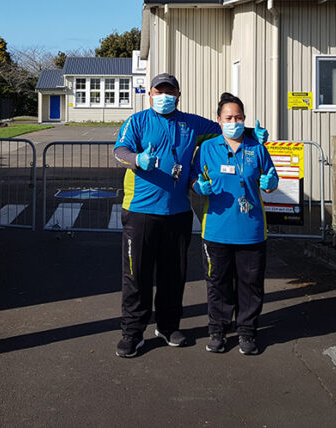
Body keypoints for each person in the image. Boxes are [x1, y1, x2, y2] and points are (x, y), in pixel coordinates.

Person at [112, 74, 267, 358]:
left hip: (178, 212)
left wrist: (250, 136)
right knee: (137, 276)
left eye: (170, 91)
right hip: (140, 212)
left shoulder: (192, 123)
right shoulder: (137, 121)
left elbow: (226, 129)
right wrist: (137, 160)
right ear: (150, 94)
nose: (164, 96)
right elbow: (119, 152)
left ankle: (168, 326)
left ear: (178, 95)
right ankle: (132, 333)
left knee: (174, 275)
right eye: (160, 91)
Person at [191, 93, 278, 355]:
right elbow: (195, 180)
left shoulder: (257, 148)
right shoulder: (207, 148)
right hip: (217, 229)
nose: (234, 122)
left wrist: (271, 183)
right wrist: (199, 186)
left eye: (238, 117)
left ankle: (247, 332)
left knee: (250, 284)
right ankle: (217, 330)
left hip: (251, 230)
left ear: (244, 119)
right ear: (219, 120)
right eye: (228, 117)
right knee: (218, 283)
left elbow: (271, 178)